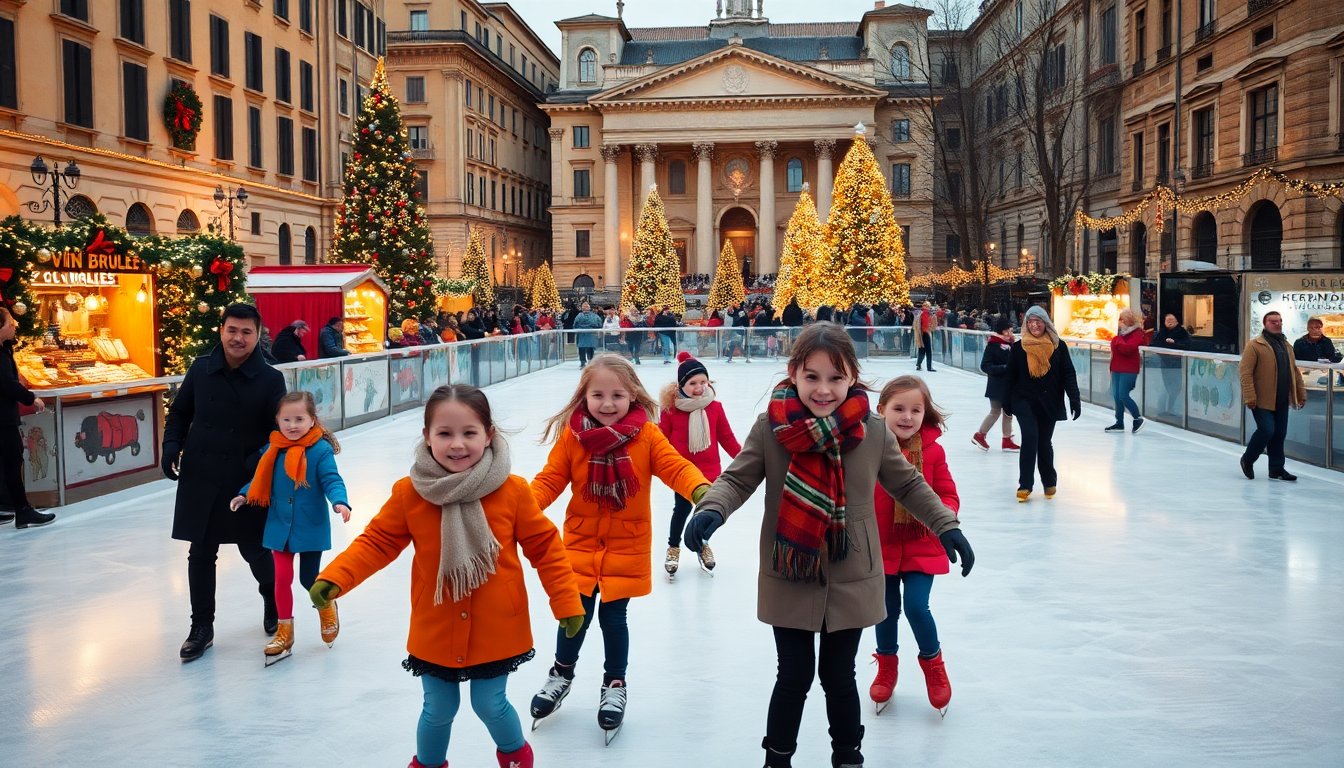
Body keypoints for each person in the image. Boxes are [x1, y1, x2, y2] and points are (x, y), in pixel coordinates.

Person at [681, 323, 973, 768]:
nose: (824, 389)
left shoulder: (872, 430)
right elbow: (738, 478)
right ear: (793, 372)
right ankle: (777, 757)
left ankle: (847, 757)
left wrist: (946, 525)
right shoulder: (770, 428)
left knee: (839, 675)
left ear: (851, 377)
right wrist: (711, 510)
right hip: (790, 567)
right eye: (812, 377)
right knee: (794, 674)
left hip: (851, 570)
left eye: (836, 378)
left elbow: (909, 484)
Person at [310, 385, 584, 768]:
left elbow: (546, 548)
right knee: (438, 708)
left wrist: (566, 602)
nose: (457, 444)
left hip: (496, 626)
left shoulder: (513, 491)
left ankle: (516, 758)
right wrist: (336, 577)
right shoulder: (410, 494)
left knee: (489, 704)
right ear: (427, 436)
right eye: (445, 433)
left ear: (488, 435)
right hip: (436, 624)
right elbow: (377, 541)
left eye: (469, 433)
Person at [527, 354, 710, 738]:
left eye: (617, 395)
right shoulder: (573, 437)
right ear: (584, 396)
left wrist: (702, 491)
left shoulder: (647, 435)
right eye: (598, 395)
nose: (607, 404)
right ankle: (561, 673)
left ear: (633, 396)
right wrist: (519, 508)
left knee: (613, 618)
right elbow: (549, 480)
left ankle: (614, 684)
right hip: (579, 542)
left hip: (627, 544)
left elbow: (675, 467)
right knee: (574, 612)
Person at [163, 303, 286, 662]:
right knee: (200, 551)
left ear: (257, 335)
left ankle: (271, 596)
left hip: (245, 479)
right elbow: (181, 411)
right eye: (233, 330)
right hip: (200, 473)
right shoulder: (201, 368)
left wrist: (255, 467)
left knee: (254, 549)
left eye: (247, 332)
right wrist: (172, 445)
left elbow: (277, 433)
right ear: (221, 329)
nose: (238, 338)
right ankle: (201, 626)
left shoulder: (269, 379)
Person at [230, 391, 351, 664]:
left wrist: (340, 502)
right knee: (281, 578)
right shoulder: (272, 449)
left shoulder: (320, 450)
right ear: (277, 420)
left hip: (310, 525)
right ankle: (285, 632)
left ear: (312, 420)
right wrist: (245, 494)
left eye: (299, 418)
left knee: (309, 580)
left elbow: (332, 480)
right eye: (287, 419)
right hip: (279, 525)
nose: (292, 425)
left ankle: (326, 605)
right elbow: (261, 479)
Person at [869, 375, 961, 716]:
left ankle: (933, 664)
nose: (907, 417)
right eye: (899, 409)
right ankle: (887, 665)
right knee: (885, 608)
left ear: (926, 414)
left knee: (917, 607)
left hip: (923, 544)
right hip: (881, 545)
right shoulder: (869, 449)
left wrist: (944, 516)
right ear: (881, 411)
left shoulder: (933, 452)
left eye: (916, 410)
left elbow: (948, 494)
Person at [658, 351, 741, 577]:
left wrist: (748, 459)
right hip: (682, 472)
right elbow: (659, 440)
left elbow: (727, 438)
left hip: (710, 472)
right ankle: (673, 547)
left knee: (705, 513)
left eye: (703, 381)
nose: (699, 387)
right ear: (681, 385)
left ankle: (701, 544)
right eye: (693, 383)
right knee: (682, 510)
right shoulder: (671, 410)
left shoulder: (715, 407)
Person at [1002, 306, 1081, 502]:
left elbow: (1068, 373)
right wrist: (1007, 402)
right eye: (1030, 322)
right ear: (1026, 324)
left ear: (1045, 323)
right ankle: (1025, 485)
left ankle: (1049, 481)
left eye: (1038, 321)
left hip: (1049, 400)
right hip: (1024, 400)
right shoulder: (1019, 348)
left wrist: (1074, 398)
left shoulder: (1058, 346)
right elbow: (1010, 376)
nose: (1034, 325)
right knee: (1030, 438)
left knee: (1044, 441)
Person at [0, 307, 55, 528]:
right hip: (3, 419)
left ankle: (21, 509)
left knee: (11, 463)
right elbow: (7, 384)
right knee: (13, 462)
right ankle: (22, 511)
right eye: (10, 323)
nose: (14, 325)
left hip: (4, 417)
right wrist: (31, 398)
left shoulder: (4, 350)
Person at [1239, 311, 1306, 482]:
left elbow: (1295, 372)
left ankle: (1276, 468)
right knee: (1267, 430)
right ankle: (1248, 459)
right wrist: (1249, 396)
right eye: (1272, 321)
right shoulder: (1254, 345)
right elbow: (1245, 373)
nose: (1277, 323)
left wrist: (1300, 393)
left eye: (1279, 321)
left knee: (1279, 433)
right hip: (1261, 399)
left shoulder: (1287, 346)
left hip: (1282, 398)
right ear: (1265, 323)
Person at [972, 316, 1020, 452]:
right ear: (1004, 331)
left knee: (1007, 413)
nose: (1011, 332)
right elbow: (985, 366)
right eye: (1010, 330)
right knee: (995, 412)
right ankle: (980, 435)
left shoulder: (1011, 344)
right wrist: (1004, 368)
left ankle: (1007, 440)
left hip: (1008, 385)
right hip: (997, 385)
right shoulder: (993, 345)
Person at [1105, 308, 1146, 434]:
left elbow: (1128, 349)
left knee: (1123, 394)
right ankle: (1119, 422)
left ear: (1130, 320)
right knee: (1117, 396)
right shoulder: (1121, 333)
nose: (1120, 322)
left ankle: (1137, 417)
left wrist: (1117, 341)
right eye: (1120, 319)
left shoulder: (1137, 333)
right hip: (1117, 368)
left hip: (1129, 369)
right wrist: (1117, 341)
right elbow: (1115, 346)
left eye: (1123, 319)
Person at [1148, 313, 1190, 417]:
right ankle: (1163, 409)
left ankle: (1173, 409)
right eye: (1168, 321)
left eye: (1172, 321)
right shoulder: (1162, 332)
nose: (1170, 323)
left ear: (1177, 322)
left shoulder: (1182, 332)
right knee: (1166, 386)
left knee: (1176, 386)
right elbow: (1154, 344)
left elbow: (1187, 345)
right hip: (1165, 364)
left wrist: (1174, 343)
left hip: (1177, 364)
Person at [571, 301, 603, 367]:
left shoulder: (594, 316)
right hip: (582, 335)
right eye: (584, 306)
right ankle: (582, 362)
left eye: (587, 306)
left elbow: (599, 324)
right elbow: (575, 325)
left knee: (590, 348)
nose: (585, 307)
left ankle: (590, 361)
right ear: (582, 308)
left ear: (589, 307)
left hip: (591, 335)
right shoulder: (579, 316)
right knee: (581, 348)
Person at [914, 301, 936, 372]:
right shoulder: (926, 313)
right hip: (925, 333)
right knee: (928, 351)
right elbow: (925, 324)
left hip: (920, 334)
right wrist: (928, 331)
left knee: (922, 349)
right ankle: (929, 367)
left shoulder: (920, 313)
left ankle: (918, 364)